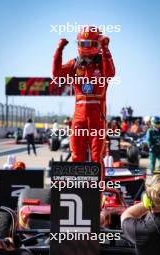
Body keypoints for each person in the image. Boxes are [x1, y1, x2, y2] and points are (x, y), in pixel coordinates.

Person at [53, 26, 115, 180]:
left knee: (96, 159)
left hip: (97, 119)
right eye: (83, 43)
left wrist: (106, 50)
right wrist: (59, 49)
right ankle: (77, 192)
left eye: (90, 44)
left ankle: (97, 194)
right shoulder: (75, 64)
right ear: (78, 44)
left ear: (98, 44)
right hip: (79, 118)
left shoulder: (103, 63)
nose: (86, 48)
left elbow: (111, 73)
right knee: (76, 157)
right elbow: (56, 74)